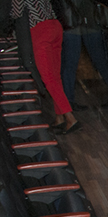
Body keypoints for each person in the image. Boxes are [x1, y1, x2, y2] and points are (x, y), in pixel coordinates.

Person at [10, 0, 79, 133]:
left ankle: (71, 118)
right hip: (55, 27)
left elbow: (16, 13)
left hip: (39, 30)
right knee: (55, 77)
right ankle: (60, 118)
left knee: (49, 79)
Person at [60, 0, 108, 109]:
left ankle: (69, 101)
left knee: (72, 65)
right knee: (99, 62)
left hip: (80, 23)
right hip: (85, 23)